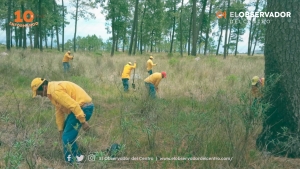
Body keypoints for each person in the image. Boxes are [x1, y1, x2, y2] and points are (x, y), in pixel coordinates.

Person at [31, 78, 94, 163]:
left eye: (39, 93)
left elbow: (73, 105)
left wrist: (83, 121)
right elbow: (59, 111)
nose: (40, 96)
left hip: (83, 108)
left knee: (67, 137)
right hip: (80, 108)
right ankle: (78, 157)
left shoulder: (55, 91)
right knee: (66, 134)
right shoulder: (52, 91)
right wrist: (61, 129)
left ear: (44, 87)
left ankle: (72, 162)